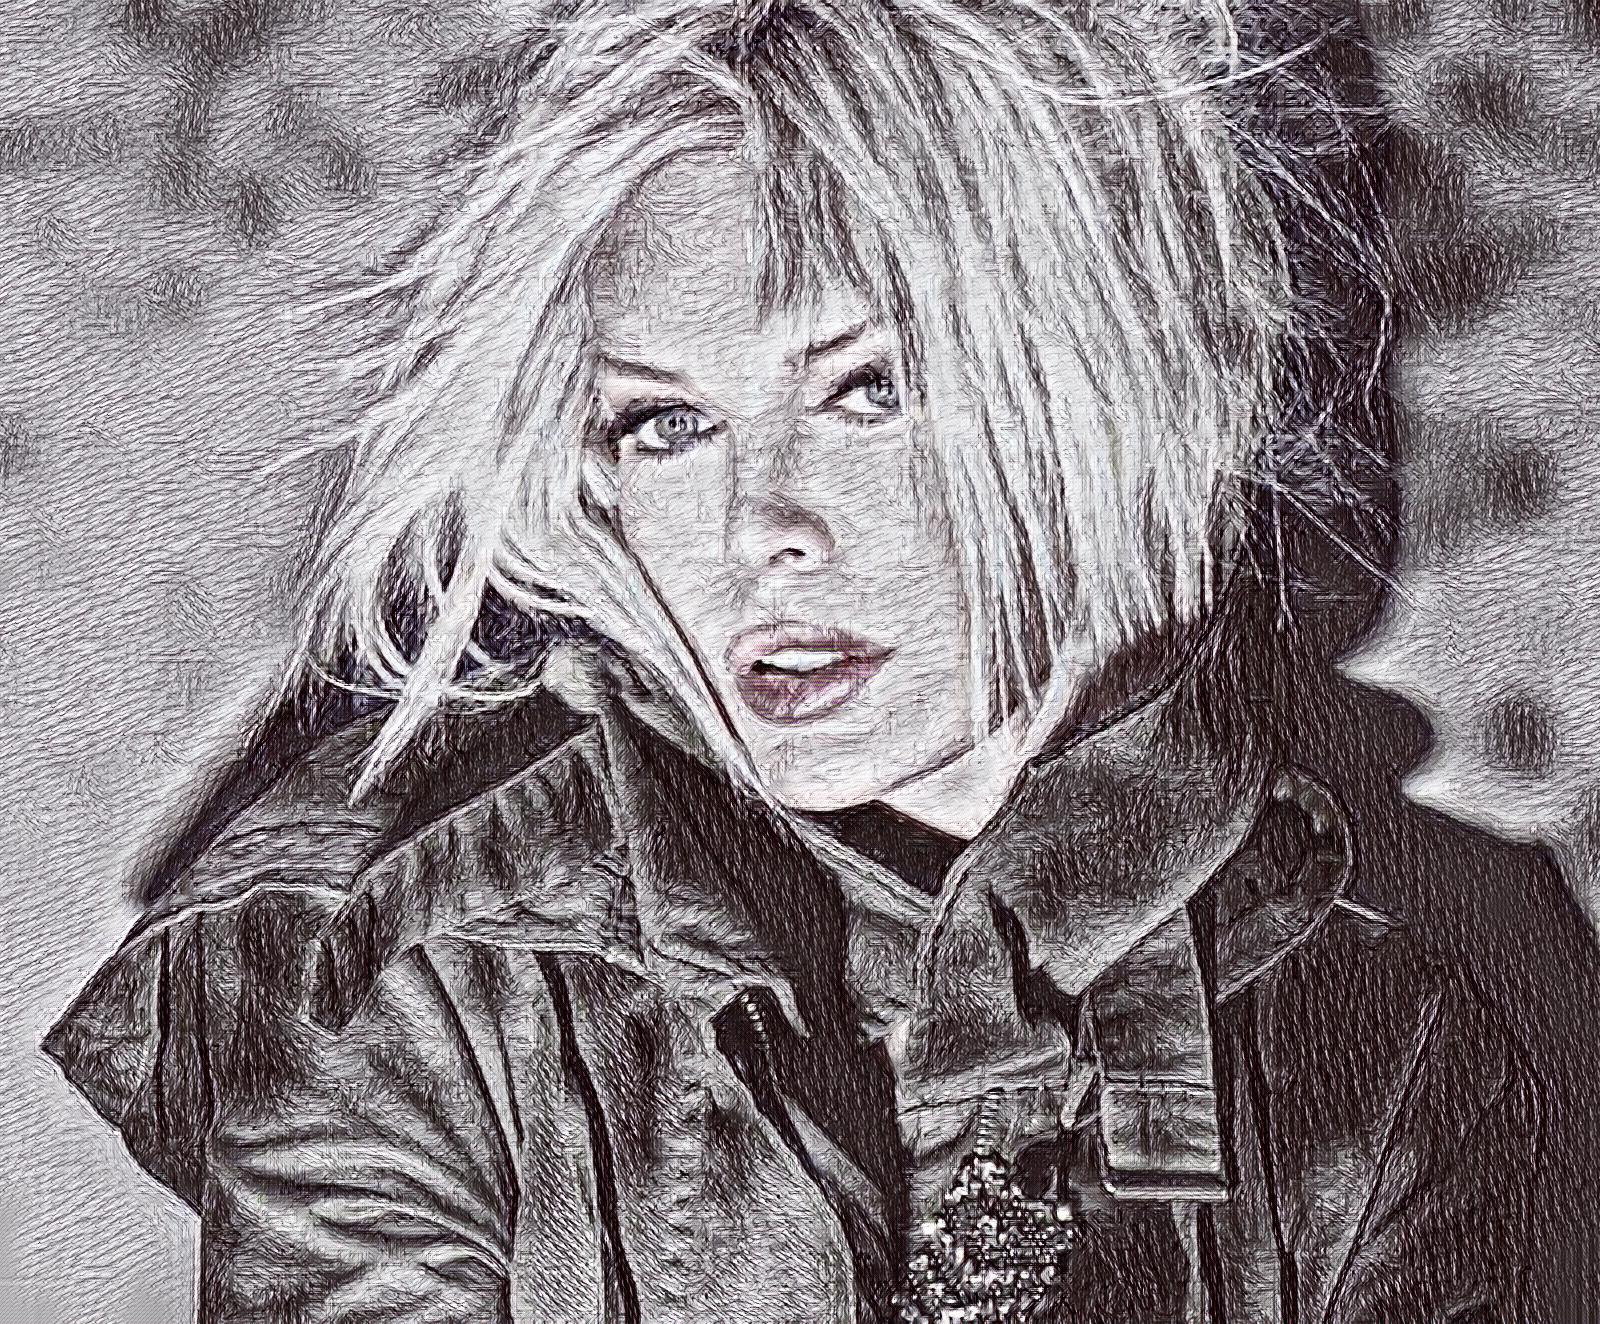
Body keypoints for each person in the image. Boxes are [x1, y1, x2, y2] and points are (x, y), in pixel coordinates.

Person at [43, 1, 1600, 1320]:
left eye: (867, 391)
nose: (755, 530)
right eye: (666, 424)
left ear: (1110, 394)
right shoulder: (397, 962)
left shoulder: (1409, 1000)